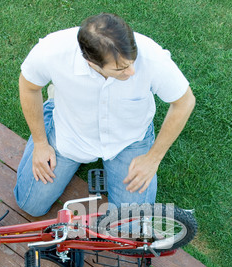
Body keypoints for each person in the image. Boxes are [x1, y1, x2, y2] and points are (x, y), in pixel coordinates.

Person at [14, 13, 196, 217]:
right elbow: (29, 86)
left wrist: (153, 158)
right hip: (71, 134)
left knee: (130, 226)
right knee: (30, 205)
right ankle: (51, 115)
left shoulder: (153, 57)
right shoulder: (52, 51)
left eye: (132, 62)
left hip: (129, 139)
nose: (133, 72)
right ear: (90, 62)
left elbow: (185, 102)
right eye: (121, 69)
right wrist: (40, 143)